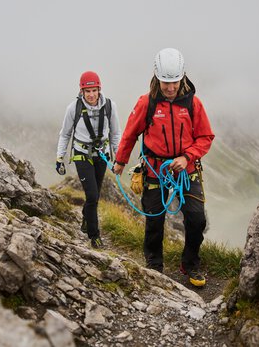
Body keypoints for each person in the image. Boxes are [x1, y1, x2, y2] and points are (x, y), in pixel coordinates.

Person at [113, 48, 214, 286]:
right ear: (157, 77)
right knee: (155, 218)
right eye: (166, 82)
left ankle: (190, 264)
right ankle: (154, 264)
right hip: (155, 169)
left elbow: (205, 137)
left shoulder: (193, 104)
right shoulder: (146, 103)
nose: (170, 88)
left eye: (175, 82)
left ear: (183, 77)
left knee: (196, 218)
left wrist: (187, 157)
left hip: (186, 170)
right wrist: (120, 161)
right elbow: (129, 134)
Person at [56, 71, 121, 249]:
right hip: (82, 154)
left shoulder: (109, 106)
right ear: (82, 91)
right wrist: (59, 158)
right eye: (87, 91)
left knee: (95, 195)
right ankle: (95, 235)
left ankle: (86, 215)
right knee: (92, 195)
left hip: (102, 155)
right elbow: (65, 134)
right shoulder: (73, 108)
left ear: (99, 89)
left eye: (94, 90)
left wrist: (119, 158)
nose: (91, 95)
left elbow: (115, 133)